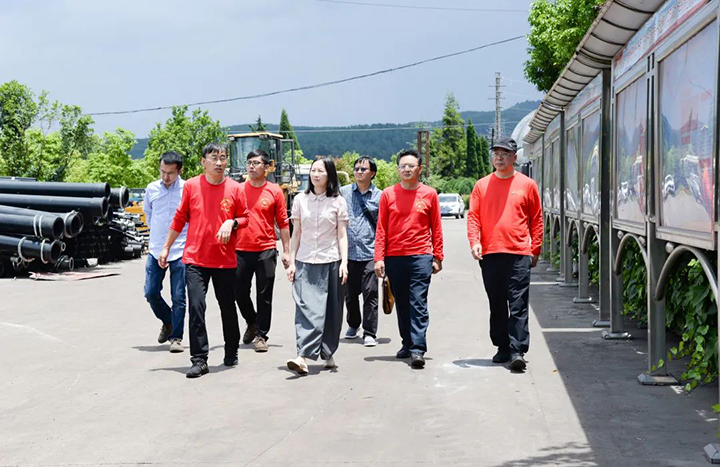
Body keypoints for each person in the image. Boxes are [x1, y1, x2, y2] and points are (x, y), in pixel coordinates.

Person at [158, 142, 249, 378]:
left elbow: (245, 218)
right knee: (196, 307)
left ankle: (231, 349)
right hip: (196, 258)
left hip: (225, 260)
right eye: (214, 158)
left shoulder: (235, 188)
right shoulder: (191, 186)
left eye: (223, 158)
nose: (219, 162)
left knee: (227, 307)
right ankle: (199, 359)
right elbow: (180, 218)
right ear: (203, 162)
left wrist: (232, 222)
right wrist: (166, 247)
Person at [466, 136, 543, 372]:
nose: (499, 158)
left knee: (518, 303)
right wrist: (475, 242)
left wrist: (535, 248)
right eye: (496, 153)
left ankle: (517, 350)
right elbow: (473, 217)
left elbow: (536, 219)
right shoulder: (482, 185)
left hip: (518, 253)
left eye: (505, 154)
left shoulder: (527, 185)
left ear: (514, 157)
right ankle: (502, 346)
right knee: (497, 302)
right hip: (490, 253)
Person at [374, 149, 443, 369]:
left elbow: (436, 227)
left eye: (411, 166)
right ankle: (407, 343)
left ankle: (418, 349)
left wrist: (438, 256)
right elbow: (381, 228)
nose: (406, 169)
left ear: (419, 169)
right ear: (398, 169)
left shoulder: (429, 194)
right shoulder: (388, 194)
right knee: (402, 303)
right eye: (403, 166)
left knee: (418, 302)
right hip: (394, 257)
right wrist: (379, 258)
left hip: (421, 256)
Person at [286, 157, 349, 375]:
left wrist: (344, 263)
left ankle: (328, 352)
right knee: (306, 309)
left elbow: (342, 235)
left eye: (320, 171)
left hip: (331, 260)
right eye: (313, 170)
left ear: (329, 174)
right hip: (305, 261)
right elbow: (296, 234)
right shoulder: (300, 200)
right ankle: (302, 356)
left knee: (332, 310)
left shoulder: (338, 202)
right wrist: (291, 262)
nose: (315, 174)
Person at [235, 149, 291, 353]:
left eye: (256, 163)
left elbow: (283, 223)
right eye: (249, 162)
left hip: (265, 249)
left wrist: (286, 251)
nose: (251, 166)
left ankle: (261, 335)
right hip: (240, 249)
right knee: (238, 292)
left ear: (266, 167)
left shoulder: (274, 191)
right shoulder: (238, 189)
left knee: (264, 295)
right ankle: (252, 321)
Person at [143, 151, 187, 353]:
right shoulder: (151, 188)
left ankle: (176, 337)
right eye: (162, 171)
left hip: (180, 249)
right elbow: (148, 214)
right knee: (151, 292)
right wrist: (157, 240)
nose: (165, 177)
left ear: (179, 171)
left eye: (170, 173)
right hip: (156, 249)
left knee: (178, 296)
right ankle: (168, 321)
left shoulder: (187, 189)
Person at [340, 156, 382, 347]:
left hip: (370, 252)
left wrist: (383, 255)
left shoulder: (380, 196)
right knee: (350, 294)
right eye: (356, 168)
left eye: (363, 169)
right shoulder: (344, 193)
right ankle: (353, 324)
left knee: (370, 293)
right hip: (347, 253)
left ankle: (369, 332)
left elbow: (383, 226)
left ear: (372, 173)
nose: (358, 172)